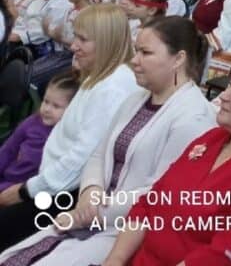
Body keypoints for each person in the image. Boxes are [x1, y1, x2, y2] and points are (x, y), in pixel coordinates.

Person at [0, 17, 215, 266]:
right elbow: (100, 153)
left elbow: (159, 192)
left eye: (145, 53)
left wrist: (97, 210)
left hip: (127, 230)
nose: (135, 60)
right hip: (90, 213)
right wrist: (90, 191)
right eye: (136, 51)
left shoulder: (194, 118)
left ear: (178, 59)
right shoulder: (137, 98)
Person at [96, 55, 231, 265]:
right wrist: (116, 259)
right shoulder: (213, 138)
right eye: (230, 85)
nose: (224, 96)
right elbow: (150, 203)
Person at [0, 5, 139, 251]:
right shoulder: (100, 76)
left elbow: (80, 160)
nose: (73, 46)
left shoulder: (113, 87)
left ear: (106, 41)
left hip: (62, 194)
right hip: (51, 185)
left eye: (83, 39)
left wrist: (25, 191)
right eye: (75, 37)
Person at [0, 74, 77, 194]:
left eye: (56, 106)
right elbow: (8, 149)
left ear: (72, 110)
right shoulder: (32, 123)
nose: (47, 109)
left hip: (26, 189)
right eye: (46, 101)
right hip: (7, 178)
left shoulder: (67, 137)